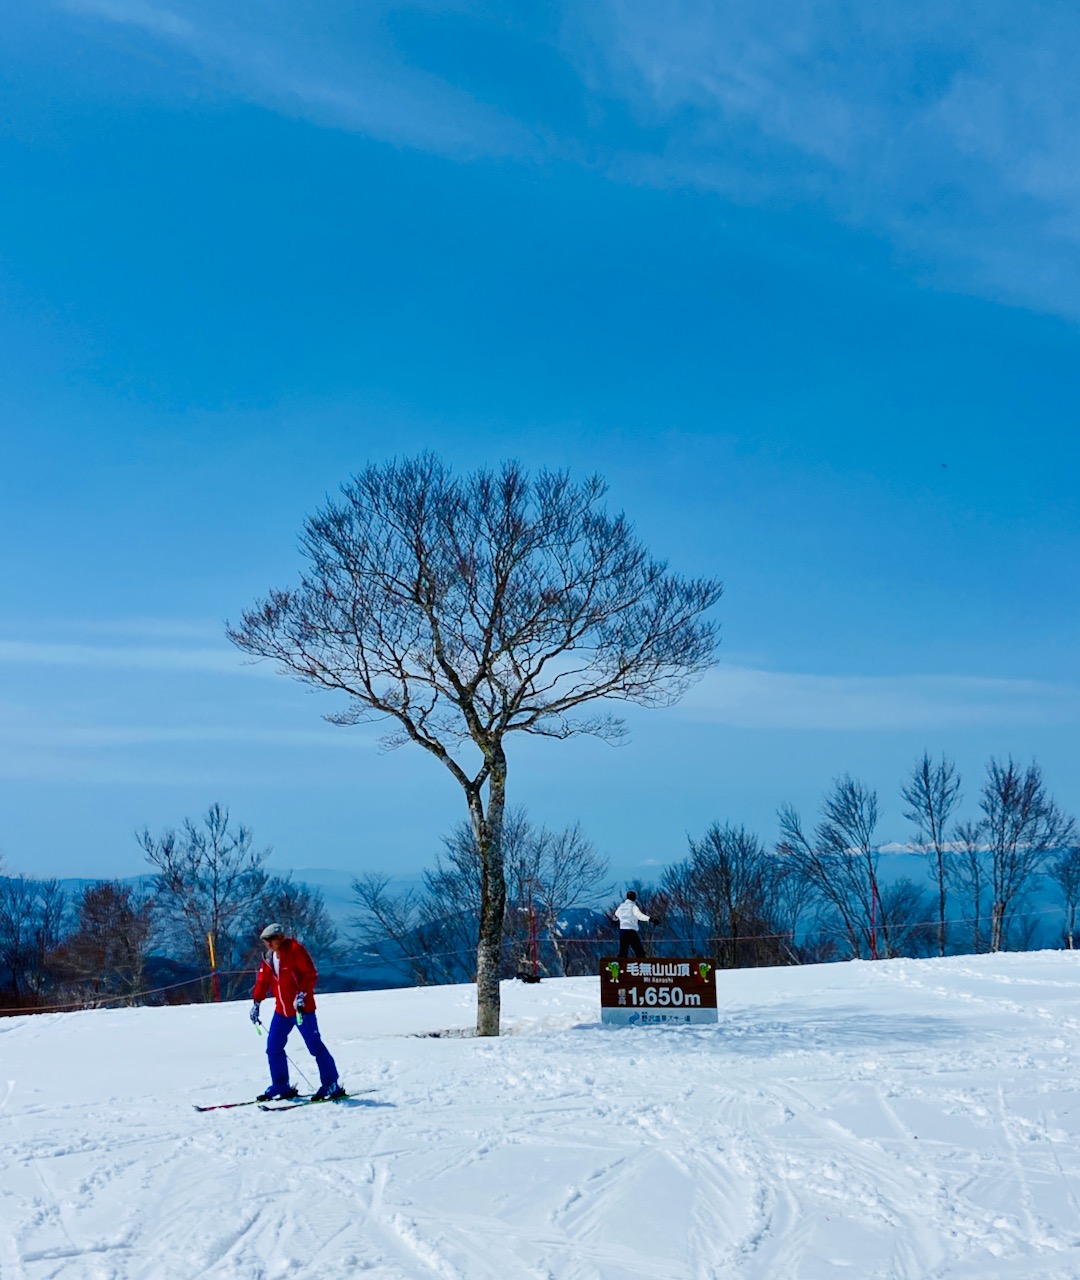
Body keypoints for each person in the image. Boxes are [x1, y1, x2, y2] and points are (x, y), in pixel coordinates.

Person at [250, 923, 346, 1102]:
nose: (268, 944)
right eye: (265, 941)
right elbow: (263, 982)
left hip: (302, 1010)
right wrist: (256, 1002)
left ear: (280, 937)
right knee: (273, 1048)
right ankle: (280, 1085)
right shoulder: (268, 958)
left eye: (271, 940)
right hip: (282, 1011)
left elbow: (310, 974)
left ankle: (331, 1084)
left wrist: (301, 995)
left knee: (315, 1046)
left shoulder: (295, 950)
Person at [613, 890, 653, 958]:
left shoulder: (621, 907)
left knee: (623, 951)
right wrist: (650, 919)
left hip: (622, 931)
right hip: (631, 930)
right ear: (634, 898)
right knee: (639, 950)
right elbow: (640, 916)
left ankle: (621, 966)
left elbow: (616, 914)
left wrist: (616, 920)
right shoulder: (633, 907)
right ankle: (641, 965)